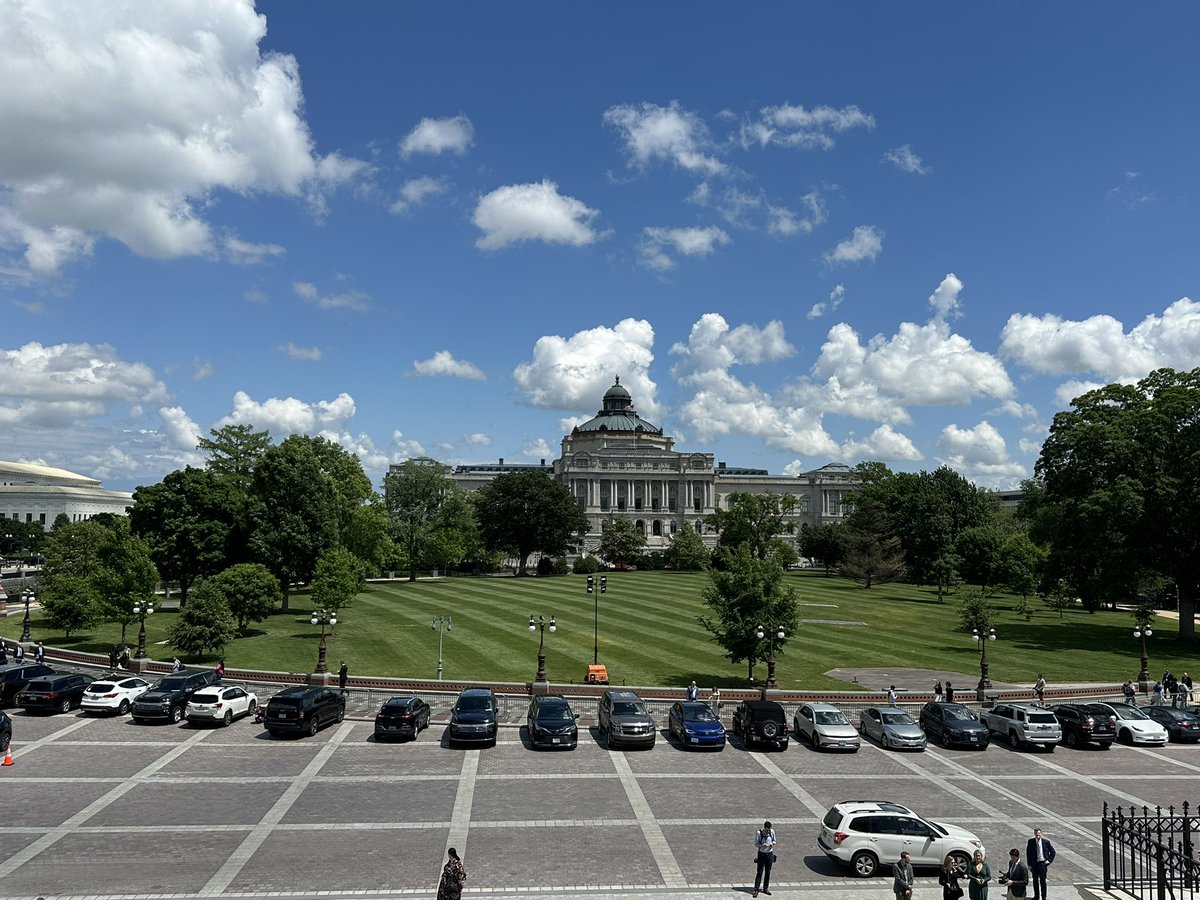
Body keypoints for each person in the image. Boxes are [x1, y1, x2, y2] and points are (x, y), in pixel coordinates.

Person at [1026, 827, 1055, 900]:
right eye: (1036, 834)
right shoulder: (1031, 842)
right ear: (1034, 834)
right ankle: (1036, 896)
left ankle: (1044, 897)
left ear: (1041, 834)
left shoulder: (1046, 842)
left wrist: (1049, 861)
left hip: (1042, 864)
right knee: (1035, 881)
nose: (1037, 835)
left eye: (1038, 834)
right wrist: (1029, 864)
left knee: (1043, 882)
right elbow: (1028, 853)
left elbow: (1053, 852)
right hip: (1035, 864)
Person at [752, 820, 776, 897]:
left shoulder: (772, 831)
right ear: (764, 827)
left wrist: (772, 844)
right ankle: (756, 889)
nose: (768, 831)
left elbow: (774, 840)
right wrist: (762, 845)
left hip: (769, 854)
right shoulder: (759, 833)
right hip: (761, 854)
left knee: (768, 871)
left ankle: (765, 888)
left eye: (769, 829)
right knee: (759, 872)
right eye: (767, 829)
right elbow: (756, 843)